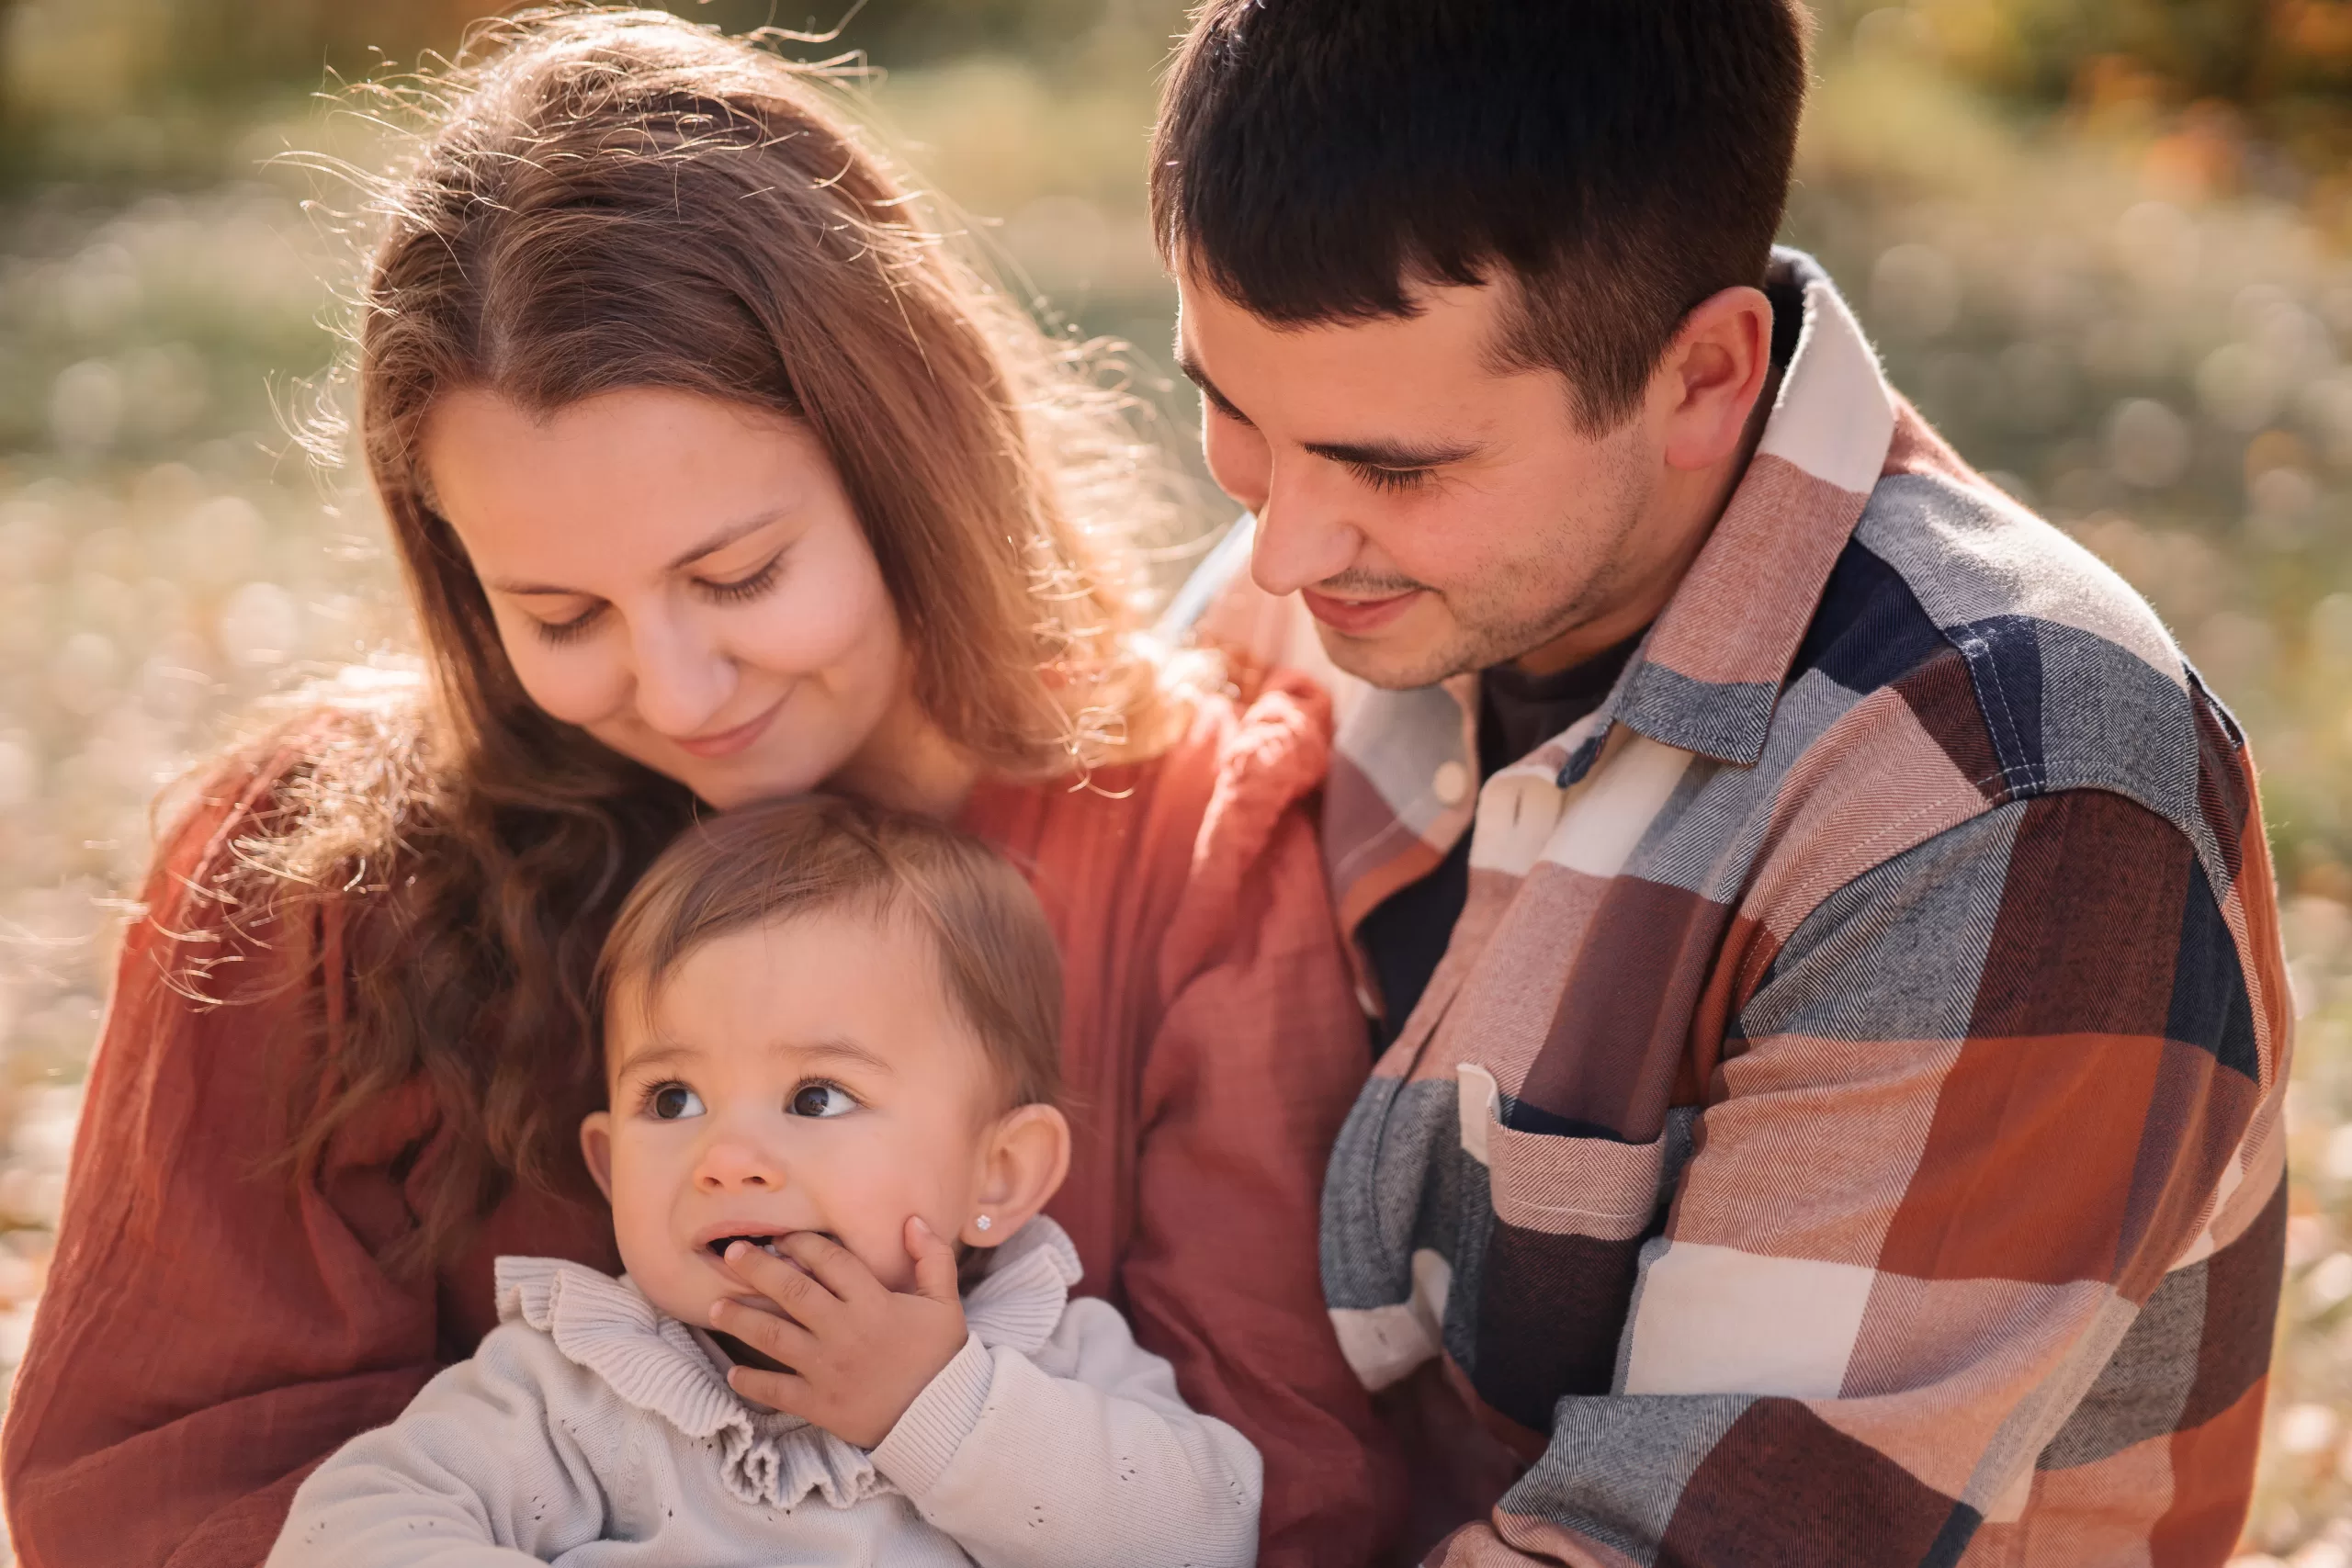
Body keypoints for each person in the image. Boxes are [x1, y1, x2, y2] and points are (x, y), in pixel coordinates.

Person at [3, 12, 1394, 1566]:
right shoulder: (313, 882)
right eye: (561, 616)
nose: (674, 691)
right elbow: (154, 1492)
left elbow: (1282, 1503)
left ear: (905, 463)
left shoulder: (1192, 843)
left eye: (737, 574)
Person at [1154, 1, 2290, 1563]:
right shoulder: (1358, 564)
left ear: (1704, 374)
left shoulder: (2016, 794)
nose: (1276, 549)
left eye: (1395, 468)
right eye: (1226, 412)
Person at [267, 795, 1261, 1568]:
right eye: (672, 1101)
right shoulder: (582, 1388)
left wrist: (935, 1404)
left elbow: (1206, 1537)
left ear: (995, 1174)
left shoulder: (1047, 1360)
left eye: (817, 1097)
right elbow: (346, 1529)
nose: (727, 1156)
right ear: (610, 1171)